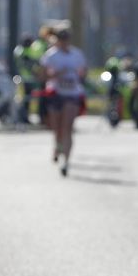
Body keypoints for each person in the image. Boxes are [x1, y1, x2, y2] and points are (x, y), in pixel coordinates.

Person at [41, 29, 87, 176]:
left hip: (72, 93)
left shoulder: (76, 54)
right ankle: (57, 145)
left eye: (66, 39)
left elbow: (84, 71)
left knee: (67, 128)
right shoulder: (51, 55)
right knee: (57, 128)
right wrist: (56, 74)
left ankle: (66, 162)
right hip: (56, 93)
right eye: (61, 39)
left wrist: (78, 75)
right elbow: (43, 75)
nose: (64, 42)